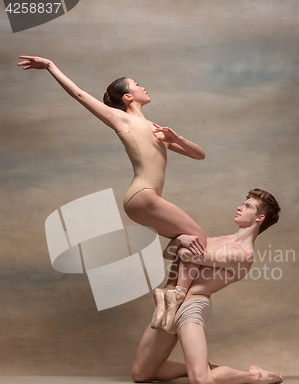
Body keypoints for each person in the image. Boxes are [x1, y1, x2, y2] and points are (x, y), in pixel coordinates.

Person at [17, 55, 207, 312]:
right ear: (128, 97)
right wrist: (51, 66)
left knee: (188, 240)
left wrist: (177, 138)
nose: (142, 87)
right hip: (144, 195)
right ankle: (179, 291)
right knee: (200, 237)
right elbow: (80, 95)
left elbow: (199, 154)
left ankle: (169, 292)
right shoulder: (123, 120)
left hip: (141, 200)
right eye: (136, 84)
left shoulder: (155, 128)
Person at [132, 189, 284, 384]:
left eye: (248, 206)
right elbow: (169, 254)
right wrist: (180, 240)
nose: (240, 207)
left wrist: (186, 242)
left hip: (191, 305)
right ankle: (199, 367)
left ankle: (254, 376)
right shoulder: (214, 239)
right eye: (243, 203)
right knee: (141, 374)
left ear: (259, 218)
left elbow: (188, 256)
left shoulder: (244, 255)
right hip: (170, 303)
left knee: (202, 382)